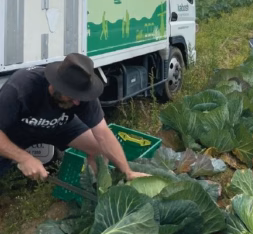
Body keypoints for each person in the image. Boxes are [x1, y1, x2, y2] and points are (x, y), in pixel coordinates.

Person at [0, 53, 148, 181]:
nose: (77, 101)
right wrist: (24, 158)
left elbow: (103, 133)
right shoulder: (21, 88)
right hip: (15, 131)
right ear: (56, 86)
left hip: (59, 125)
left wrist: (127, 172)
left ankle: (92, 195)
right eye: (73, 96)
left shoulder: (82, 93)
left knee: (98, 151)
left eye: (80, 97)